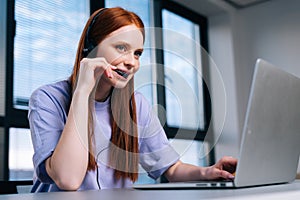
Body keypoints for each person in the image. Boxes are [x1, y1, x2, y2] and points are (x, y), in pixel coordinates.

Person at [28, 7, 237, 192]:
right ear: (90, 47)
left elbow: (171, 168)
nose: (131, 62)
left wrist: (208, 172)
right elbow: (68, 179)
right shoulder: (47, 99)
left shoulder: (136, 105)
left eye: (137, 53)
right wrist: (83, 91)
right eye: (121, 48)